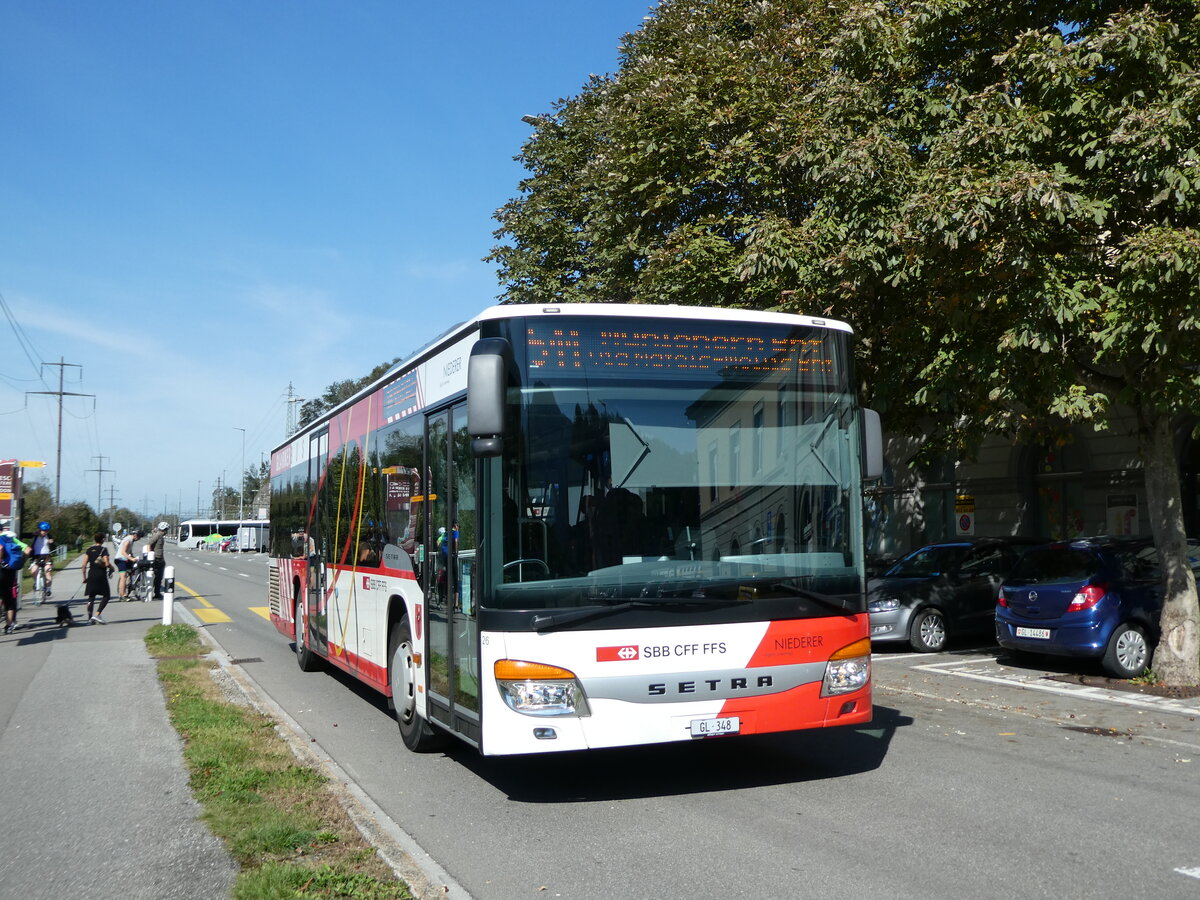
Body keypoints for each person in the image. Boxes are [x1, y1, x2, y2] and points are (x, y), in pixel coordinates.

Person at [0, 518, 31, 634]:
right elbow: (28, 550)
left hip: (1, 570)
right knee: (8, 598)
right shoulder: (10, 539)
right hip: (11, 571)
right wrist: (21, 563)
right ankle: (8, 626)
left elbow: (0, 548)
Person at [82, 532, 114, 624]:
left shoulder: (89, 550)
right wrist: (112, 568)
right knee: (106, 596)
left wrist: (84, 577)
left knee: (91, 597)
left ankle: (89, 618)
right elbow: (107, 563)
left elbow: (83, 565)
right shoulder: (103, 549)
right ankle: (97, 614)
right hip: (101, 575)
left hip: (91, 574)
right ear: (103, 540)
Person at [29, 520, 55, 600]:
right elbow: (27, 535)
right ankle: (36, 582)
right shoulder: (35, 535)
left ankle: (48, 589)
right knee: (34, 570)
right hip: (36, 557)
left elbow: (54, 547)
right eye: (44, 531)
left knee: (48, 571)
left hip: (47, 557)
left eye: (47, 531)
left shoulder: (49, 536)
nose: (45, 532)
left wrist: (51, 543)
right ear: (40, 530)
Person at [115, 528, 142, 600]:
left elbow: (129, 552)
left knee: (132, 571)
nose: (139, 539)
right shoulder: (128, 540)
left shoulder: (131, 540)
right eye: (139, 537)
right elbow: (123, 552)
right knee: (123, 577)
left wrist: (134, 558)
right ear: (136, 535)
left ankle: (131, 586)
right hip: (120, 559)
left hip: (125, 559)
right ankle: (122, 595)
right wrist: (131, 559)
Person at [146, 521, 169, 600]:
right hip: (156, 558)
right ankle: (156, 593)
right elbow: (149, 544)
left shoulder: (161, 536)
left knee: (159, 577)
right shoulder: (158, 535)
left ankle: (157, 592)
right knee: (157, 577)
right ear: (165, 529)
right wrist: (150, 556)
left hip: (160, 558)